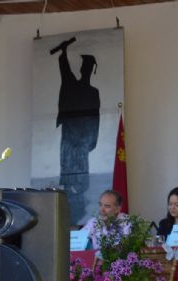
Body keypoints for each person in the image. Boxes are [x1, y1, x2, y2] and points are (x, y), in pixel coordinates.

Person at [51, 37, 100, 224]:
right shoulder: (72, 85)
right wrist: (63, 54)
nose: (84, 71)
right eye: (83, 68)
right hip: (70, 134)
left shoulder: (93, 92)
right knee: (68, 166)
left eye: (87, 68)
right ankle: (69, 200)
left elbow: (95, 117)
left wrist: (91, 140)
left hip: (83, 138)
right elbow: (65, 72)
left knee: (80, 169)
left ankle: (78, 200)